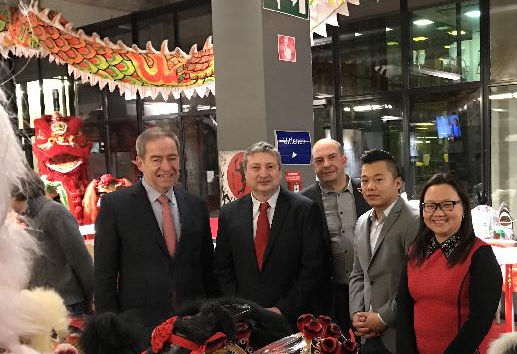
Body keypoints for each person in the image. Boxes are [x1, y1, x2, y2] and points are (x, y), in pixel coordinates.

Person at [94, 128, 218, 319]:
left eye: (172, 158)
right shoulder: (115, 207)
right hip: (139, 325)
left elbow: (207, 270)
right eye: (157, 159)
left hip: (193, 321)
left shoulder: (195, 205)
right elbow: (104, 276)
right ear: (140, 163)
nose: (166, 167)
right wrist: (109, 330)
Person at [396, 172, 502, 354]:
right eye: (431, 206)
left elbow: (480, 321)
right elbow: (404, 306)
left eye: (447, 205)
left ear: (463, 208)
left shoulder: (480, 255)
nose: (439, 213)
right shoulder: (416, 251)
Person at [215, 141, 326, 324]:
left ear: (280, 171)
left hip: (292, 319)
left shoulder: (304, 210)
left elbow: (313, 268)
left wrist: (283, 308)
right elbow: (223, 268)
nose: (263, 174)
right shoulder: (229, 214)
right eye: (256, 167)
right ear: (245, 172)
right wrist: (239, 307)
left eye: (270, 167)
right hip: (244, 321)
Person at [350, 149, 418, 354]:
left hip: (399, 333)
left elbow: (415, 281)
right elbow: (358, 273)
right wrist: (356, 314)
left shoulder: (413, 221)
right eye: (365, 180)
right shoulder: (362, 221)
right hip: (367, 334)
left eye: (379, 179)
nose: (370, 186)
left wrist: (382, 318)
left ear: (397, 183)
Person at [301, 138, 370, 331]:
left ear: (343, 159)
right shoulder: (304, 202)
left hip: (367, 291)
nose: (327, 164)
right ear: (313, 165)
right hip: (327, 295)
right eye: (319, 160)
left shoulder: (367, 192)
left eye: (332, 157)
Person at [11, 169, 94, 315]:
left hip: (67, 306)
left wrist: (94, 299)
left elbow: (82, 262)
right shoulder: (30, 217)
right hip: (45, 305)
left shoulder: (54, 213)